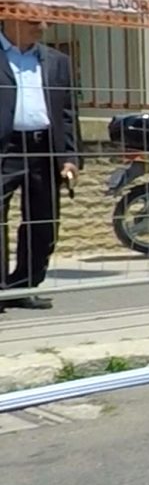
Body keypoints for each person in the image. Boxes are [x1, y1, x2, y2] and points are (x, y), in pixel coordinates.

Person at [0, 16, 79, 311]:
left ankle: (24, 286)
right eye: (34, 20)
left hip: (43, 148)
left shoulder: (56, 61)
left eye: (45, 20)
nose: (43, 26)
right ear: (9, 19)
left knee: (43, 221)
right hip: (4, 150)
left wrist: (70, 157)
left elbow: (68, 113)